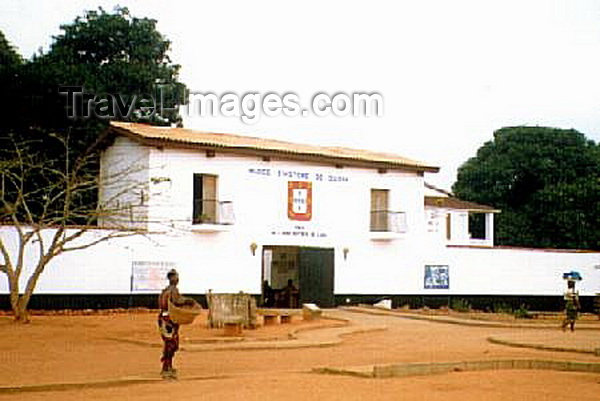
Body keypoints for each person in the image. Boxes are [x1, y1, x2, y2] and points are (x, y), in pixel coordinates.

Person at [157, 269, 195, 379]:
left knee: (170, 343)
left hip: (166, 319)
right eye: (176, 277)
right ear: (172, 279)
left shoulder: (165, 291)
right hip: (167, 320)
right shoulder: (172, 290)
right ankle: (166, 367)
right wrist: (187, 302)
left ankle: (167, 366)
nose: (177, 279)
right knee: (171, 344)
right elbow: (177, 301)